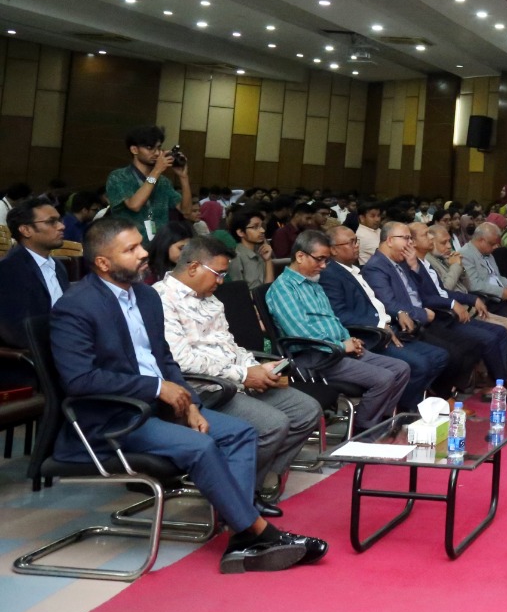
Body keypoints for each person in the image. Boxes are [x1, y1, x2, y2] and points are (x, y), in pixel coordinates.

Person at [52, 218, 324, 573]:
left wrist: (192, 404)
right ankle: (258, 533)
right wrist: (156, 387)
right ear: (103, 262)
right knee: (202, 446)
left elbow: (164, 359)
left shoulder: (145, 297)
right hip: (114, 416)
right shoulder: (76, 305)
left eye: (141, 245)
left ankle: (242, 535)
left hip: (162, 405)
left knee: (241, 432)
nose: (144, 253)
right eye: (131, 249)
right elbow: (80, 380)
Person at [155, 235, 320, 512]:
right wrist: (243, 374)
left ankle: (248, 486)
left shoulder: (211, 300)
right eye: (218, 273)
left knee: (306, 411)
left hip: (234, 380)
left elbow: (230, 345)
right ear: (193, 267)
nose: (221, 281)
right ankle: (238, 499)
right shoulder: (161, 299)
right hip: (203, 389)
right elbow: (181, 361)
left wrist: (255, 367)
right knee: (273, 424)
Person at [264, 230, 408, 432]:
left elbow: (333, 320)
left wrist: (350, 339)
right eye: (320, 259)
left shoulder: (313, 283)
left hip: (337, 351)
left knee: (401, 368)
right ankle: (363, 432)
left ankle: (379, 422)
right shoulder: (283, 289)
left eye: (326, 260)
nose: (324, 266)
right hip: (315, 357)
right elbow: (301, 333)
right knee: (383, 379)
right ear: (300, 256)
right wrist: (341, 346)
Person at [361, 222, 507, 396]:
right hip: (408, 324)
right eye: (406, 238)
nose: (410, 243)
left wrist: (414, 267)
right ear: (390, 240)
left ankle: (449, 392)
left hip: (423, 318)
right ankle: (440, 396)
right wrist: (422, 313)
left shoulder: (402, 260)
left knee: (470, 346)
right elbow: (390, 304)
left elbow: (419, 291)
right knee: (453, 353)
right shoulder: (377, 266)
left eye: (410, 238)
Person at [318, 227, 446, 411]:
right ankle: (403, 410)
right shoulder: (330, 275)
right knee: (420, 365)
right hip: (370, 336)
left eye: (356, 241)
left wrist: (398, 312)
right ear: (333, 250)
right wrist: (378, 325)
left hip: (389, 327)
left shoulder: (354, 270)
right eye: (351, 242)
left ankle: (405, 404)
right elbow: (340, 314)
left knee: (439, 356)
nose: (356, 246)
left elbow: (379, 302)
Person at [412, 222, 507, 343]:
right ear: (432, 243)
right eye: (444, 243)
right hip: (453, 312)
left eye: (449, 241)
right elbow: (444, 289)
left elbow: (467, 286)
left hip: (469, 305)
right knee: (502, 330)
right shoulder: (428, 261)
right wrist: (455, 266)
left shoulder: (443, 258)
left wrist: (461, 267)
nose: (449, 246)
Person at [105, 126, 194, 243]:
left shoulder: (163, 182)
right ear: (134, 150)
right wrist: (156, 171)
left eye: (159, 148)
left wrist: (183, 177)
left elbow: (186, 212)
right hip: (129, 244)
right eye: (149, 148)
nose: (157, 153)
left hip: (158, 245)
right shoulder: (119, 176)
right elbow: (134, 205)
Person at [0, 197, 69, 348]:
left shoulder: (58, 266)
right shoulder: (8, 269)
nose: (61, 226)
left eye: (59, 220)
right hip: (38, 354)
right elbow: (15, 332)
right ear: (26, 230)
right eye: (51, 222)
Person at [225, 206, 276, 293]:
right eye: (255, 227)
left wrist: (268, 260)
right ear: (240, 232)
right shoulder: (236, 257)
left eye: (262, 226)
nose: (262, 230)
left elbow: (269, 288)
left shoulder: (261, 251)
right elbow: (239, 293)